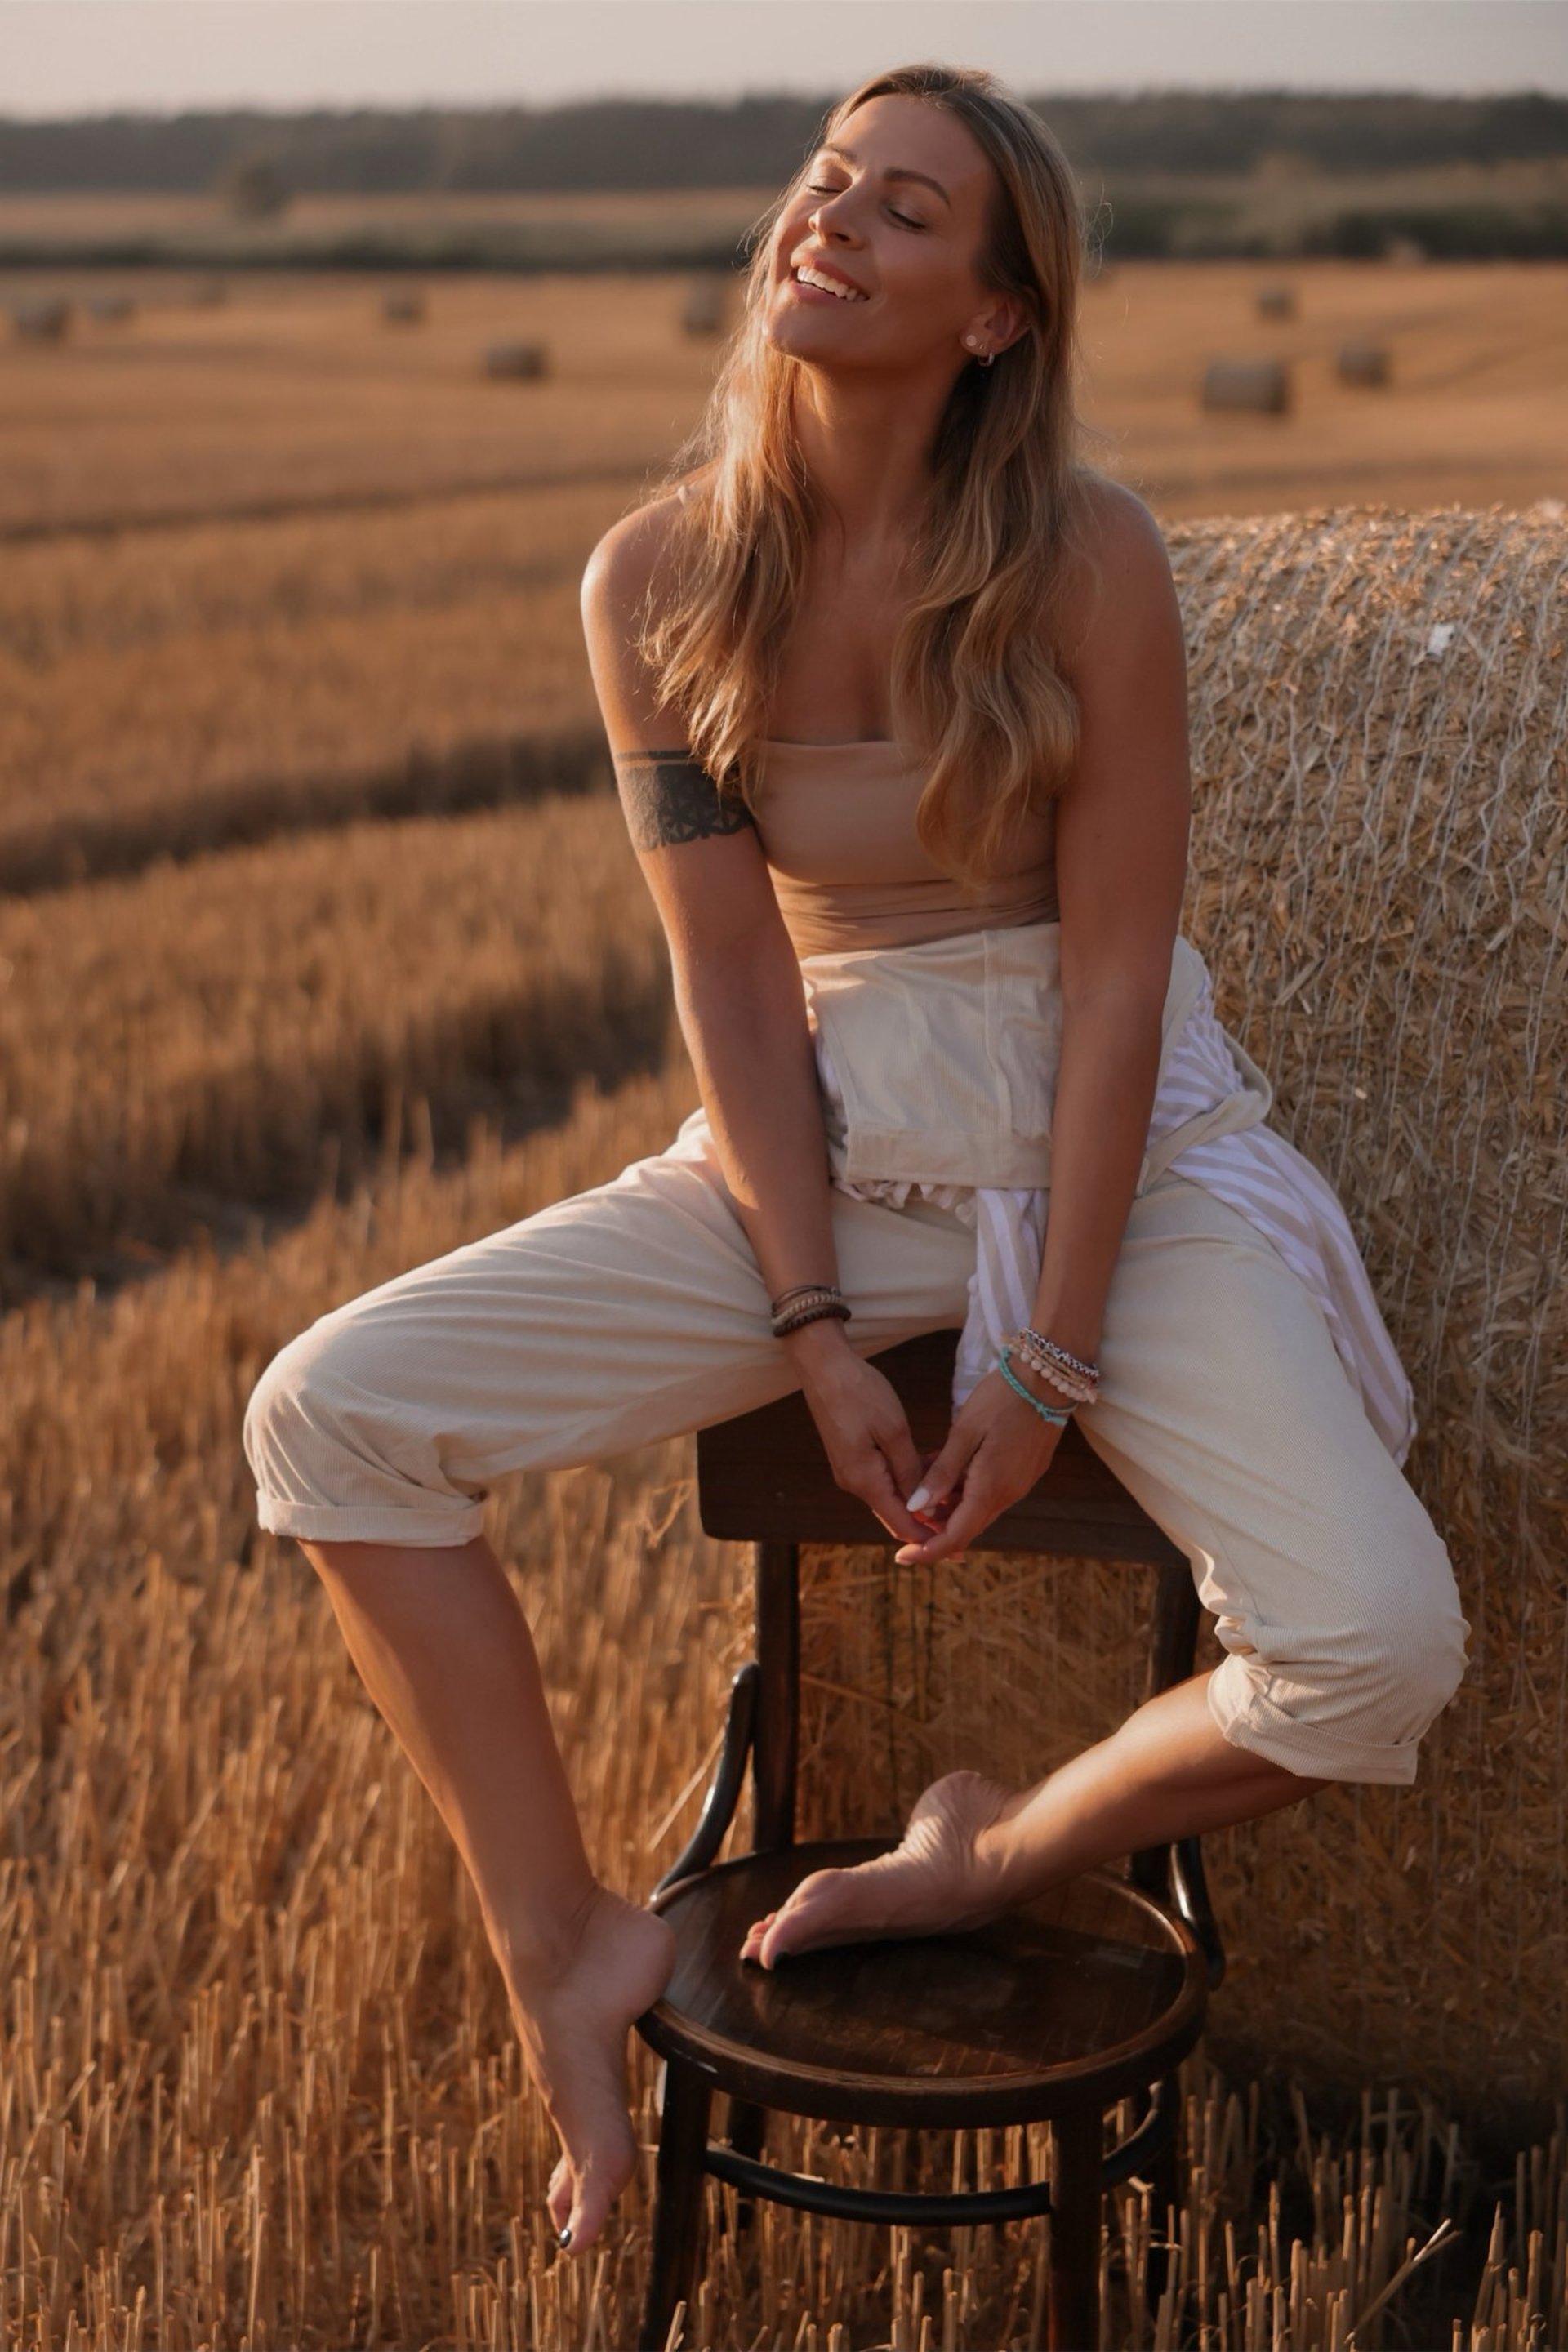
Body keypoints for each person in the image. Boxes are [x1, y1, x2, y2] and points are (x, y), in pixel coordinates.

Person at [242, 62, 1470, 2259]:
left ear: (998, 312)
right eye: (830, 181)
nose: (837, 220)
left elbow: (1113, 988)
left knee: (1375, 1644)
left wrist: (1051, 1355)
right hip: (814, 1161)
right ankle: (568, 1949)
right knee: (331, 1413)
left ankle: (990, 1852)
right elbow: (728, 973)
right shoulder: (657, 578)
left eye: (908, 213)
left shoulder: (1087, 561)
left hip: (1120, 1165)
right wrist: (811, 1323)